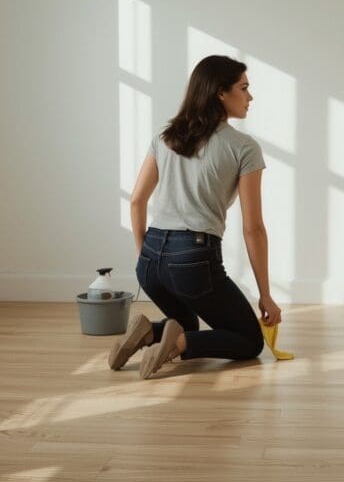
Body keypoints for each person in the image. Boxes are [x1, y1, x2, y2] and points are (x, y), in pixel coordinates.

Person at [108, 55, 281, 379]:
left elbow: (136, 201)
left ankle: (148, 332)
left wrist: (146, 256)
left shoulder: (166, 135)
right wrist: (266, 295)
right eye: (244, 88)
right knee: (249, 340)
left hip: (150, 260)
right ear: (220, 92)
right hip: (193, 260)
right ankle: (180, 344)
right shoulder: (244, 147)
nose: (250, 96)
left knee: (184, 323)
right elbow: (253, 228)